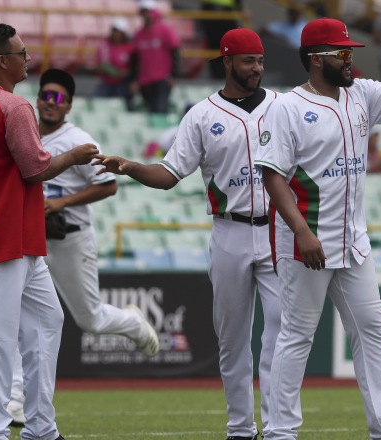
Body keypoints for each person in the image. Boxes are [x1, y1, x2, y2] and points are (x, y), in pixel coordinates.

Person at [253, 6, 381, 438]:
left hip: (353, 241)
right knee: (297, 336)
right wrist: (302, 231)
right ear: (317, 58)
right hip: (307, 241)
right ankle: (280, 431)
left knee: (371, 329)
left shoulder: (361, 93)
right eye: (343, 52)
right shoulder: (286, 108)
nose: (350, 59)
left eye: (351, 51)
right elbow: (271, 175)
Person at [94, 28, 281, 440]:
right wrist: (130, 167)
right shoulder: (201, 114)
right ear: (227, 61)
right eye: (249, 60)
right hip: (230, 231)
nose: (257, 68)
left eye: (261, 60)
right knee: (232, 340)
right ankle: (240, 429)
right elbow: (168, 175)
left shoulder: (282, 106)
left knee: (281, 335)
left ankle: (280, 427)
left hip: (277, 230)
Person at [0, 23, 99, 440]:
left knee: (48, 321)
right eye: (22, 52)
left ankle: (40, 428)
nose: (28, 57)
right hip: (3, 238)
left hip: (18, 239)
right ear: (2, 60)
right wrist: (75, 155)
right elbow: (35, 169)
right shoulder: (14, 107)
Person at [5, 68, 160, 427]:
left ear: (69, 105)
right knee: (15, 314)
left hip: (70, 235)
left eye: (58, 97)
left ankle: (134, 324)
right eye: (45, 94)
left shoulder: (79, 139)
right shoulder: (24, 133)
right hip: (32, 236)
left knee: (89, 318)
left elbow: (109, 186)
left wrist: (60, 203)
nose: (50, 102)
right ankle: (16, 398)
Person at [130, 0, 181, 113]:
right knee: (149, 111)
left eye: (147, 11)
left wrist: (174, 75)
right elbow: (135, 59)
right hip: (145, 81)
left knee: (160, 111)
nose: (145, 14)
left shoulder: (165, 31)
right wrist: (134, 79)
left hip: (162, 79)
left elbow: (175, 52)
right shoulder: (138, 34)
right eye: (143, 12)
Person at [95, 17, 135, 110]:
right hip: (107, 82)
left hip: (123, 84)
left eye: (118, 31)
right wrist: (118, 73)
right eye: (114, 30)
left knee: (125, 106)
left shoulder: (130, 47)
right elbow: (103, 64)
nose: (115, 34)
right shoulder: (105, 45)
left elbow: (134, 65)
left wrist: (129, 73)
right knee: (98, 103)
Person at [200, 0, 244, 79]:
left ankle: (226, 74)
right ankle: (218, 75)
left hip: (225, 14)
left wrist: (241, 10)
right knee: (215, 46)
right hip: (212, 12)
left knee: (227, 45)